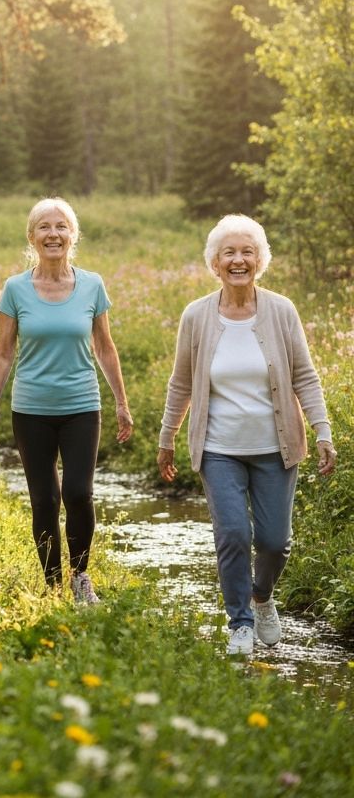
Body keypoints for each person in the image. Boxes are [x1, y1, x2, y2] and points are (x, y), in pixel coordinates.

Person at [157, 214, 337, 656]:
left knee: (275, 541)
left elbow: (305, 378)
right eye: (229, 253)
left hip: (276, 447)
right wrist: (167, 438)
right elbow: (181, 383)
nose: (238, 260)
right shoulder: (196, 316)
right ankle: (239, 622)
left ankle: (261, 598)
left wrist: (322, 431)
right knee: (233, 533)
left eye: (247, 252)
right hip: (219, 449)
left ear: (260, 260)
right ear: (214, 263)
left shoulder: (281, 310)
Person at [0, 197, 133, 603]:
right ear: (32, 237)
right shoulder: (15, 288)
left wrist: (121, 402)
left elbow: (105, 347)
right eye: (45, 227)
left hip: (82, 406)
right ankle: (51, 586)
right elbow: (4, 351)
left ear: (73, 235)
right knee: (44, 499)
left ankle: (81, 577)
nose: (54, 234)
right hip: (30, 409)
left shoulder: (91, 284)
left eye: (61, 226)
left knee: (79, 493)